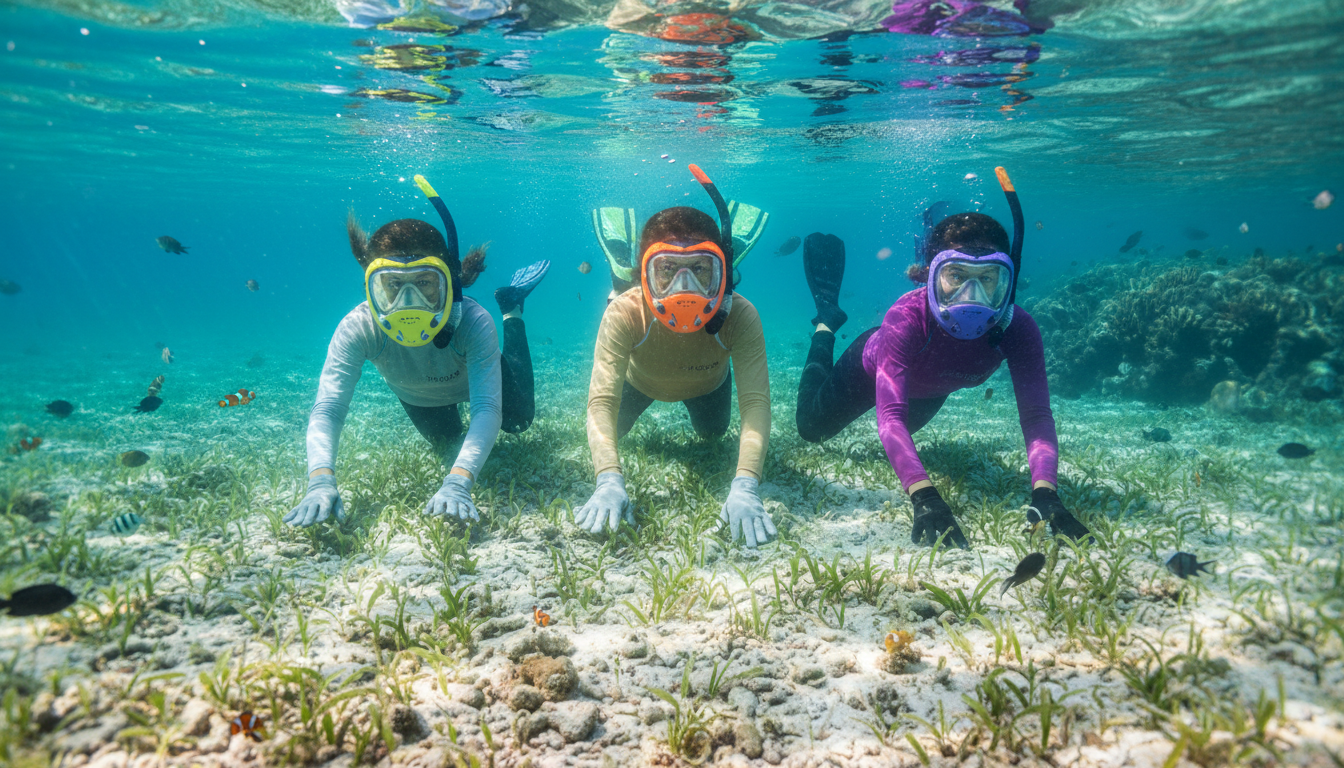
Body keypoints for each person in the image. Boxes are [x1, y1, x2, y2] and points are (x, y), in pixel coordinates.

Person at [794, 168, 1089, 548]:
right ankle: (826, 324)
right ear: (929, 276)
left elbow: (1036, 416)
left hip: (929, 390)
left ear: (1008, 280)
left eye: (987, 279)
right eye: (956, 276)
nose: (972, 295)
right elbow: (891, 417)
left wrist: (1046, 493)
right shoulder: (906, 317)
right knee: (810, 429)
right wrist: (925, 497)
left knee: (900, 443)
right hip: (869, 369)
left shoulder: (1019, 329)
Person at [285, 175, 549, 528]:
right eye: (392, 285)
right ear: (372, 284)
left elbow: (487, 408)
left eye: (424, 283)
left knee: (518, 421)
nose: (408, 303)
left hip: (473, 380)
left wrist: (458, 483)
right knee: (447, 442)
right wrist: (320, 481)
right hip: (421, 397)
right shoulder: (358, 327)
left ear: (447, 281)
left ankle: (512, 310)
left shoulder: (472, 321)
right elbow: (329, 408)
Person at [576, 165, 776, 547]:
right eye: (666, 270)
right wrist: (608, 479)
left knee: (713, 434)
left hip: (707, 384)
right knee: (611, 435)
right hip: (641, 382)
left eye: (700, 270)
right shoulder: (624, 311)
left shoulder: (740, 315)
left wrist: (746, 484)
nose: (686, 288)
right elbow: (600, 403)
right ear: (645, 275)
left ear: (722, 272)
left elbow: (755, 403)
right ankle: (621, 274)